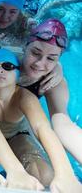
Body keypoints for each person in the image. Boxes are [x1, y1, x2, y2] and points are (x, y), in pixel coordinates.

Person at [0, 48, 82, 192]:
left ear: (17, 73)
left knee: (44, 176)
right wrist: (15, 171)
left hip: (18, 135)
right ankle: (14, 173)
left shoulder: (25, 97)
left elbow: (42, 129)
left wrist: (65, 174)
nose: (0, 70)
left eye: (7, 66)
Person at [19, 18, 82, 164]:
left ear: (58, 59)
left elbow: (63, 123)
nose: (40, 63)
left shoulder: (54, 81)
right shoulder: (6, 61)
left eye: (51, 59)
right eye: (35, 53)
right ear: (25, 46)